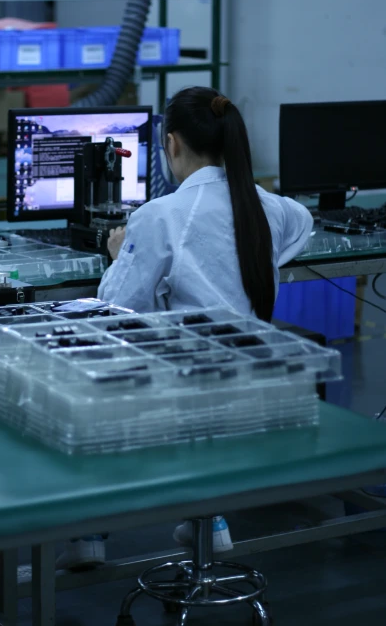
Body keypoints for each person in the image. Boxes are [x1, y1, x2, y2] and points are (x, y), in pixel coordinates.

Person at [58, 86, 313, 571]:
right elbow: (301, 224)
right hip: (259, 385)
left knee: (80, 372)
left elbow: (114, 308)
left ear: (170, 144)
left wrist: (119, 255)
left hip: (185, 395)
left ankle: (88, 533)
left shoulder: (159, 217)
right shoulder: (271, 209)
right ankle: (208, 518)